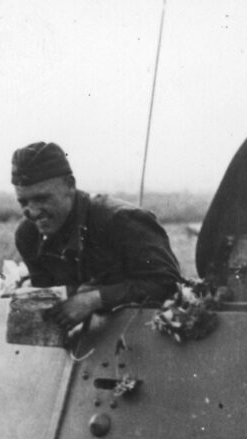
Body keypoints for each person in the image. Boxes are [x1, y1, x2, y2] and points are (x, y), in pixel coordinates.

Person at [11, 141, 182, 336]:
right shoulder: (28, 235)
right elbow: (46, 297)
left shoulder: (120, 220)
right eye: (23, 202)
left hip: (145, 336)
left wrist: (95, 299)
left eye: (42, 198)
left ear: (70, 186)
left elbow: (168, 284)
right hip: (84, 346)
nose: (32, 212)